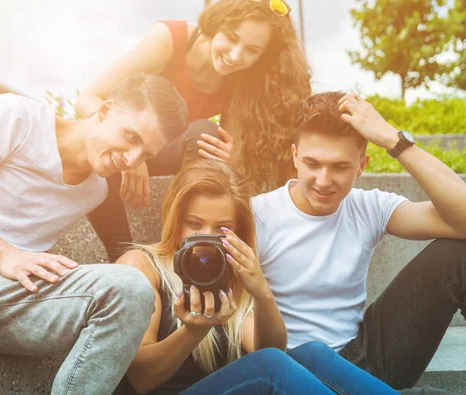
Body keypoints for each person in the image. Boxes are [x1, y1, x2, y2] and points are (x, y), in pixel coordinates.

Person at [0, 74, 188, 394]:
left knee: (133, 289)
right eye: (131, 136)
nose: (132, 160)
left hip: (10, 297)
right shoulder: (16, 117)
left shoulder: (96, 191)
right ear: (104, 110)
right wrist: (4, 255)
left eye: (145, 154)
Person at [251, 91, 466, 391]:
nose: (323, 180)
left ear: (362, 165)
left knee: (461, 257)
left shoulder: (368, 207)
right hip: (293, 372)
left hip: (366, 358)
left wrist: (394, 141)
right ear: (294, 156)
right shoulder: (258, 215)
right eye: (312, 163)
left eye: (340, 166)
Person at [112, 159, 401, 395]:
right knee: (270, 366)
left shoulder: (231, 274)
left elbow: (270, 350)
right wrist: (194, 330)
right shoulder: (142, 265)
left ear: (236, 231)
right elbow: (142, 379)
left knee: (313, 352)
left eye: (222, 228)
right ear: (174, 218)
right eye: (195, 224)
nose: (206, 237)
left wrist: (261, 292)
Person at [75, 0, 312, 262]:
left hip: (170, 152)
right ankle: (120, 257)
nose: (235, 55)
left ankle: (183, 252)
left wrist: (231, 160)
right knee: (93, 160)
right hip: (124, 143)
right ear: (217, 22)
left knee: (204, 135)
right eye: (231, 38)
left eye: (251, 50)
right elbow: (87, 99)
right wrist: (132, 151)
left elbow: (226, 147)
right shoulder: (169, 39)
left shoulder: (241, 77)